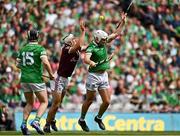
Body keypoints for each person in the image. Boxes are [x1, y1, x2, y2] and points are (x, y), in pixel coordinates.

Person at [78, 12, 127, 132]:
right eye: (104, 40)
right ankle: (82, 119)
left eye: (105, 39)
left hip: (103, 75)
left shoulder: (103, 41)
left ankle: (98, 118)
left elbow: (116, 34)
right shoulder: (91, 47)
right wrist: (91, 63)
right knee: (89, 100)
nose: (106, 41)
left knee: (107, 101)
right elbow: (86, 59)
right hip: (93, 76)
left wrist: (123, 22)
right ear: (97, 39)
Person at [43, 21, 86, 133]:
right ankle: (47, 124)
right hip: (59, 79)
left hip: (66, 79)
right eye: (73, 39)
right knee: (56, 103)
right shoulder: (67, 49)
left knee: (59, 103)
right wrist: (83, 31)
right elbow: (80, 45)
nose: (75, 39)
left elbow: (84, 47)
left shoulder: (74, 49)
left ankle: (51, 120)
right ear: (70, 42)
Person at [16, 29, 54, 135]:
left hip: (24, 79)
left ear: (28, 37)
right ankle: (36, 121)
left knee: (29, 103)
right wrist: (51, 74)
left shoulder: (23, 49)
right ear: (38, 37)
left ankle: (23, 124)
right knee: (44, 101)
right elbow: (46, 62)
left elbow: (17, 65)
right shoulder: (40, 48)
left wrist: (28, 68)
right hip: (36, 79)